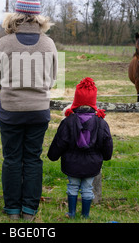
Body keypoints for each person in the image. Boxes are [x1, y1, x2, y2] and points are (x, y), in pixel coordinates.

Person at [0, 0, 58, 220]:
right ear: (39, 17)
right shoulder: (48, 43)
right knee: (32, 158)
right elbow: (53, 78)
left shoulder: (5, 42)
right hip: (39, 109)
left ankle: (12, 209)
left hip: (11, 108)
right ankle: (29, 210)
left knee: (11, 158)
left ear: (15, 16)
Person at [48, 77, 113, 219]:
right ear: (93, 103)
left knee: (72, 186)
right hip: (92, 162)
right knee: (88, 188)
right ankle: (85, 215)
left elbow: (60, 141)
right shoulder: (101, 123)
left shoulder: (68, 121)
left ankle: (71, 213)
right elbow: (107, 142)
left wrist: (52, 155)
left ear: (76, 102)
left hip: (71, 162)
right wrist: (106, 155)